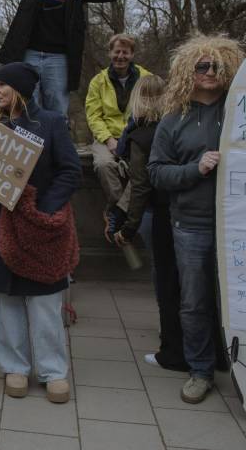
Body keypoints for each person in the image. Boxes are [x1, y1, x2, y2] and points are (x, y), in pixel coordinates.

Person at [0, 63, 81, 403]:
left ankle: (52, 371)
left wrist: (43, 208)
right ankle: (14, 367)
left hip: (39, 229)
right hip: (0, 228)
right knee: (7, 302)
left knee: (46, 306)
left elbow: (70, 171)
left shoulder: (50, 123)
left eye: (1, 84)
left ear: (18, 88)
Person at [148, 35, 244, 404]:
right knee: (194, 302)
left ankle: (237, 368)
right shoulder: (174, 120)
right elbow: (156, 173)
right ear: (189, 71)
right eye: (202, 66)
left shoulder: (241, 113)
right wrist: (195, 169)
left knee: (236, 301)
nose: (209, 72)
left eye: (217, 66)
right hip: (191, 225)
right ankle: (201, 371)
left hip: (237, 224)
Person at [112, 75, 189, 372]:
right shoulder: (175, 125)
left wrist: (127, 228)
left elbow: (140, 186)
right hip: (187, 211)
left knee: (166, 282)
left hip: (161, 214)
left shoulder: (139, 136)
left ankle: (171, 350)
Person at [85, 34, 151, 240]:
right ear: (110, 53)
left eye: (125, 52)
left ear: (132, 54)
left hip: (136, 136)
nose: (120, 56)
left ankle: (119, 212)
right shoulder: (98, 81)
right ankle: (116, 208)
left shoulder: (146, 78)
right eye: (117, 51)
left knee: (142, 171)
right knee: (103, 164)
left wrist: (133, 137)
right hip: (107, 137)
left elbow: (153, 110)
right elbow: (93, 115)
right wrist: (108, 139)